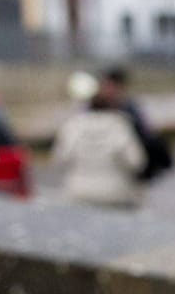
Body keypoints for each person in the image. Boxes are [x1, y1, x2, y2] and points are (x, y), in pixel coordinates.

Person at [52, 77, 147, 210]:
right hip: (117, 195)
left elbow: (60, 160)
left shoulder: (73, 126)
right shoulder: (120, 126)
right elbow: (136, 162)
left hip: (79, 194)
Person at [100, 66, 173, 183]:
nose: (107, 90)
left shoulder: (130, 108)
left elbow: (145, 132)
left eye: (110, 85)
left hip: (125, 165)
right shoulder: (96, 107)